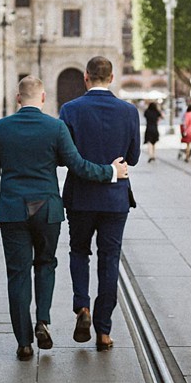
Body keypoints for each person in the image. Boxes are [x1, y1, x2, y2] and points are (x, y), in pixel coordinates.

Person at [0, 76, 128, 361]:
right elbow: (79, 166)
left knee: (18, 274)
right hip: (47, 209)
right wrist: (111, 172)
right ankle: (43, 321)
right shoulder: (56, 127)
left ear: (17, 97)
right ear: (44, 98)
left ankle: (24, 343)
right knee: (46, 264)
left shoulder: (0, 129)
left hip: (12, 210)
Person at [60, 57, 141, 351]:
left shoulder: (70, 110)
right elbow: (132, 157)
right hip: (115, 199)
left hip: (80, 197)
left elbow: (63, 155)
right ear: (112, 77)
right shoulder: (129, 111)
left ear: (86, 77)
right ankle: (104, 331)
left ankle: (82, 306)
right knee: (109, 260)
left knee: (79, 251)